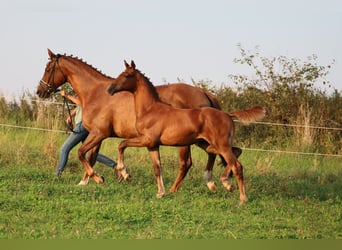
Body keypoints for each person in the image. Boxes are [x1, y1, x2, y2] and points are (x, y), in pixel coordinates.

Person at [55, 90, 117, 177]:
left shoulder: (88, 93)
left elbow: (82, 103)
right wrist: (70, 116)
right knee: (89, 153)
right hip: (84, 124)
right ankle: (115, 166)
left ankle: (57, 174)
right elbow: (79, 107)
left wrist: (67, 95)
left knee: (64, 148)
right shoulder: (85, 92)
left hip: (82, 125)